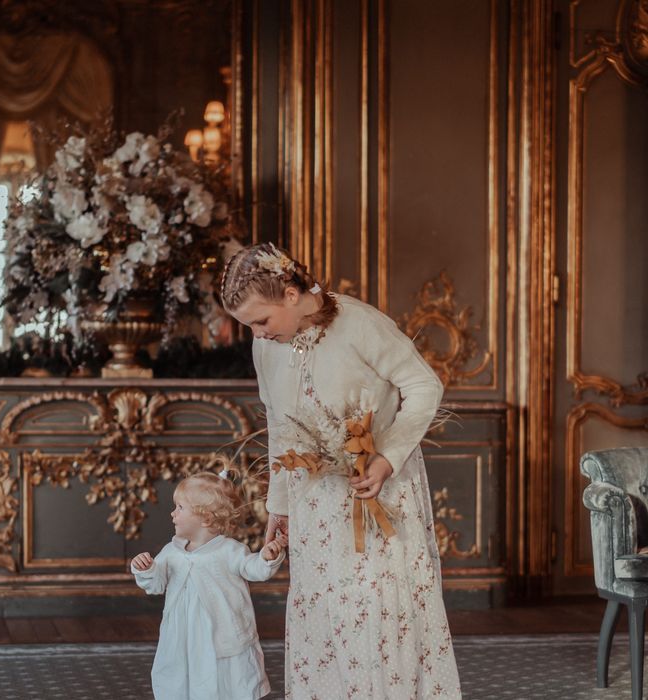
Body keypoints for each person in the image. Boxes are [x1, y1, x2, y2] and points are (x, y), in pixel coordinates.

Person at [221, 243, 462, 699]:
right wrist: (281, 505)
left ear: (291, 293)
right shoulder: (266, 348)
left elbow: (424, 386)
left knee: (378, 610)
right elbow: (279, 424)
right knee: (328, 614)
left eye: (261, 320)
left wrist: (386, 458)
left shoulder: (361, 324)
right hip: (315, 502)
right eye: (249, 325)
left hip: (379, 491)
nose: (258, 333)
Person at [131, 471, 288, 700]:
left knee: (224, 681)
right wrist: (146, 569)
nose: (172, 513)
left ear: (205, 518)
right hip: (182, 636)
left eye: (180, 507)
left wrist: (266, 556)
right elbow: (156, 585)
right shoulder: (171, 552)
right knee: (181, 677)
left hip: (220, 633)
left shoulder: (228, 550)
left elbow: (252, 568)